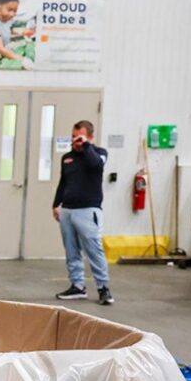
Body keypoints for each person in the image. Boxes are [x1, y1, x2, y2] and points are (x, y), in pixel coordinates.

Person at [52, 120, 114, 305]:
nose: (75, 140)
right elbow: (63, 182)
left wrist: (86, 146)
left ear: (90, 137)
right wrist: (56, 204)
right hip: (68, 210)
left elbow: (96, 165)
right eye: (73, 137)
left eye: (79, 137)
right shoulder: (67, 158)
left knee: (94, 250)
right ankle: (77, 285)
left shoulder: (99, 154)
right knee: (71, 250)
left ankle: (103, 288)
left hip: (88, 210)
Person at [0, 0, 34, 69]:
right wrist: (23, 59)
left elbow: (9, 29)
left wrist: (23, 32)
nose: (12, 14)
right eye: (9, 10)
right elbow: (0, 48)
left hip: (5, 50)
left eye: (15, 11)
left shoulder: (9, 17)